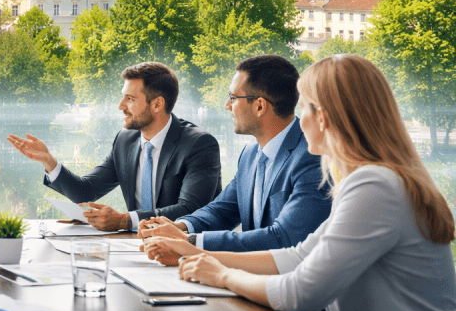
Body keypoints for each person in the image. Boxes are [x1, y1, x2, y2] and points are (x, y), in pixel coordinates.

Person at [145, 54, 456, 311]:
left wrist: (221, 274)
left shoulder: (375, 186)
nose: (297, 119)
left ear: (323, 117)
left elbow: (300, 292)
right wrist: (196, 253)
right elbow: (297, 256)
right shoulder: (374, 179)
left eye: (303, 107)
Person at [139, 55, 331, 252]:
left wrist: (190, 242)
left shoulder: (313, 158)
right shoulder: (251, 153)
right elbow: (223, 210)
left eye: (233, 98)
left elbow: (284, 237)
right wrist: (180, 227)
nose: (227, 106)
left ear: (259, 106)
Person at [8, 62, 221, 232]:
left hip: (188, 252)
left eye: (130, 99)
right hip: (138, 246)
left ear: (157, 104)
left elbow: (191, 210)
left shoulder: (199, 144)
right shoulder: (125, 140)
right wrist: (49, 161)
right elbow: (86, 191)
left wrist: (124, 220)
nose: (120, 106)